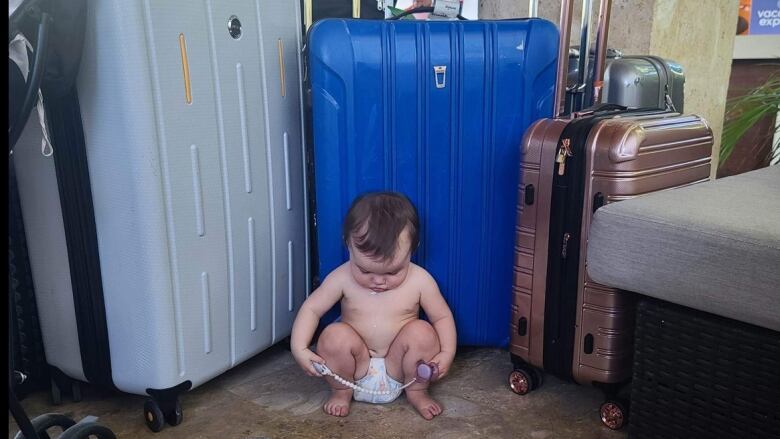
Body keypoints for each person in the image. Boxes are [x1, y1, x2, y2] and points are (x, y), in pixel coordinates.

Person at [290, 191, 457, 420]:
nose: (378, 281)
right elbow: (312, 308)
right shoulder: (341, 278)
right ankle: (341, 392)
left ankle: (418, 392)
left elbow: (441, 317)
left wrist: (447, 353)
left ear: (412, 250)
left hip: (399, 367)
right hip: (355, 368)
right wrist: (299, 348)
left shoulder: (420, 280)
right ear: (348, 244)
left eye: (393, 271)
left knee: (423, 332)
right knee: (333, 336)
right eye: (366, 270)